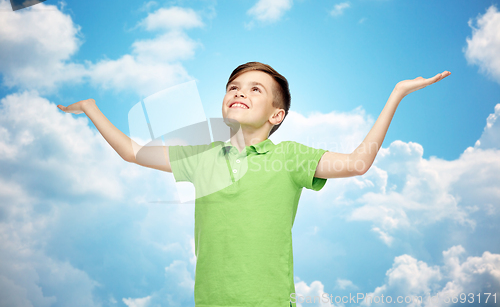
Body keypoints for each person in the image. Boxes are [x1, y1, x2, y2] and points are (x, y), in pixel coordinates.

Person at [57, 62, 450, 307]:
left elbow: (358, 163)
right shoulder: (203, 158)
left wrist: (397, 93)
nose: (240, 92)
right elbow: (132, 151)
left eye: (254, 89)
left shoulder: (290, 157)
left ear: (277, 115)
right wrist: (92, 108)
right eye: (234, 87)